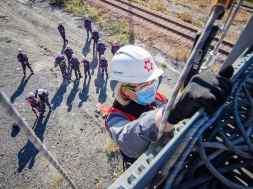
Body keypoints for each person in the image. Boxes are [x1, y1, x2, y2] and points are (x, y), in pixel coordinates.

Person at [105, 45, 233, 170]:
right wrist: (172, 113)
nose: (151, 88)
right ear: (125, 90)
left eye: (152, 81)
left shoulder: (158, 97)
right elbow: (129, 141)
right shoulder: (115, 118)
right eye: (143, 85)